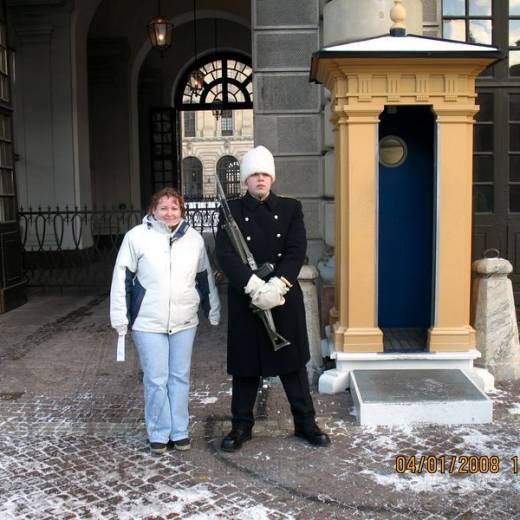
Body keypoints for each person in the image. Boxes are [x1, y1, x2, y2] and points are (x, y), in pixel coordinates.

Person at [215, 145, 330, 451]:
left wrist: (277, 286)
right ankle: (241, 427)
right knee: (245, 367)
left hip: (282, 299)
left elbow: (296, 250)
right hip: (247, 299)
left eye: (265, 174)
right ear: (245, 180)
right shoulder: (232, 211)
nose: (260, 179)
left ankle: (306, 424)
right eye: (254, 174)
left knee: (292, 366)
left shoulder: (291, 208)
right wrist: (254, 287)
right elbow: (225, 254)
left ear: (272, 177)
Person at [110, 187, 220, 455]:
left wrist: (212, 308)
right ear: (153, 210)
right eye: (163, 207)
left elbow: (204, 277)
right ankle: (159, 431)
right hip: (148, 322)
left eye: (174, 207)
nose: (169, 212)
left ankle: (179, 431)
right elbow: (122, 277)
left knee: (180, 377)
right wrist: (120, 317)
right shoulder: (136, 238)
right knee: (156, 378)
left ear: (181, 211)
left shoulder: (194, 239)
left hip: (184, 321)